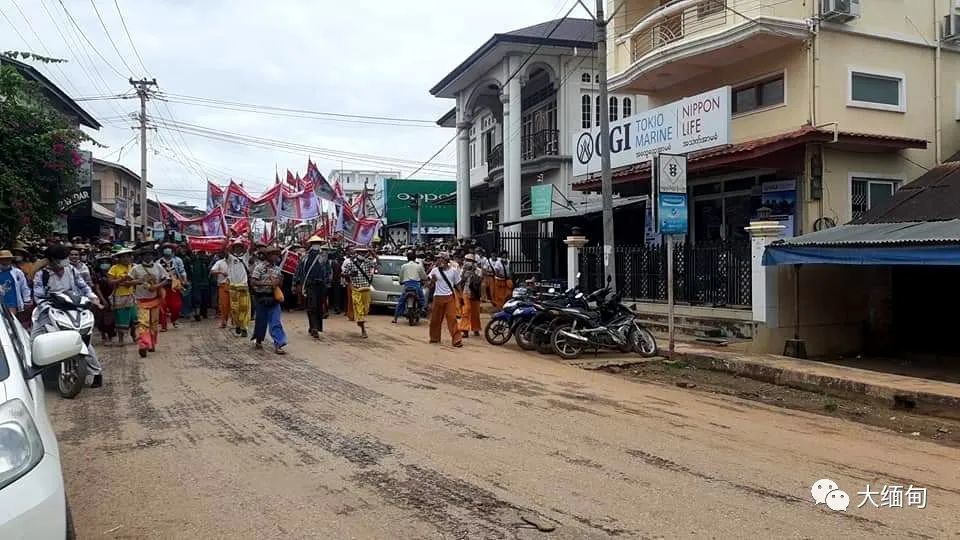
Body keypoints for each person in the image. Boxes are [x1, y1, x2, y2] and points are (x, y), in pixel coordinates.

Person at [32, 244, 104, 386]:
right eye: (62, 258)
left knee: (83, 338)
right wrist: (48, 308)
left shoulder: (71, 270)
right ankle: (35, 370)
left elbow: (83, 286)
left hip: (73, 308)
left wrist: (93, 298)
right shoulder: (42, 274)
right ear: (52, 259)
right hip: (50, 310)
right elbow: (39, 297)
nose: (66, 261)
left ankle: (96, 372)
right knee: (35, 338)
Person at [127, 247, 169, 357]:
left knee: (154, 324)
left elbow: (167, 279)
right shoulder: (135, 269)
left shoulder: (158, 267)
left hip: (155, 300)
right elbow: (127, 282)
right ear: (141, 257)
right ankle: (143, 345)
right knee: (143, 323)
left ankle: (151, 343)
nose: (148, 257)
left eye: (150, 254)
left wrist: (156, 286)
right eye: (145, 255)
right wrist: (139, 281)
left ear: (153, 256)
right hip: (141, 301)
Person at [250, 246, 288, 354]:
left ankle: (279, 343)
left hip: (273, 297)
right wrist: (268, 283)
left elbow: (280, 283)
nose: (275, 256)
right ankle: (258, 339)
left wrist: (279, 282)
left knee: (275, 321)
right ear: (268, 256)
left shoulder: (277, 269)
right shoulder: (259, 267)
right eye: (273, 254)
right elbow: (253, 282)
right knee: (261, 321)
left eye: (276, 254)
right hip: (261, 297)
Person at [294, 236, 332, 338]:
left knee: (319, 306)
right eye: (314, 242)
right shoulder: (305, 256)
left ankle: (315, 327)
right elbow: (299, 270)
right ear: (310, 244)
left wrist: (328, 283)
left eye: (318, 242)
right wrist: (297, 284)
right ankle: (314, 327)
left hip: (321, 285)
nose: (316, 244)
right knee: (312, 306)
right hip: (309, 284)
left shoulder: (324, 255)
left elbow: (328, 270)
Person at [427, 252, 462, 347]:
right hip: (437, 297)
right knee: (435, 319)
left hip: (449, 297)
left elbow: (458, 284)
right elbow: (429, 285)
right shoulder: (434, 271)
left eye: (440, 259)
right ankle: (434, 338)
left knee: (452, 319)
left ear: (445, 260)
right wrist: (432, 281)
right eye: (438, 259)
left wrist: (461, 296)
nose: (438, 260)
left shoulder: (454, 271)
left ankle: (456, 340)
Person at [341, 246, 377, 338]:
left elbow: (378, 264)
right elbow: (343, 273)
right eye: (360, 252)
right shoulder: (350, 263)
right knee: (359, 309)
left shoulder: (368, 262)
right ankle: (363, 329)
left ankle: (360, 322)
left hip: (366, 289)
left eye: (363, 252)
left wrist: (373, 253)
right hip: (356, 289)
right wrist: (349, 274)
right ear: (357, 253)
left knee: (365, 310)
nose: (362, 254)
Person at [107, 249, 139, 347]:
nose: (126, 259)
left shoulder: (134, 267)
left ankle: (134, 335)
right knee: (120, 318)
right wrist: (121, 280)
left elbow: (138, 280)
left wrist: (130, 283)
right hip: (119, 296)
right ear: (119, 258)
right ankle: (121, 339)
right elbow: (110, 282)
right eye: (123, 257)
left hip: (131, 295)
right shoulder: (114, 268)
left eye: (128, 256)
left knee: (134, 318)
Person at [222, 240, 251, 337]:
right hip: (233, 287)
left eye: (240, 246)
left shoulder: (246, 257)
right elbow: (224, 250)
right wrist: (227, 239)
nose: (238, 248)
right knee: (234, 309)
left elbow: (252, 245)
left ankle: (244, 328)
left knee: (244, 308)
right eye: (236, 246)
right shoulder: (230, 258)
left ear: (243, 248)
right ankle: (238, 324)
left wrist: (249, 233)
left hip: (243, 286)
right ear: (233, 248)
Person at [158, 244, 188, 330]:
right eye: (165, 248)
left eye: (169, 248)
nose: (167, 250)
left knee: (176, 305)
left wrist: (184, 280)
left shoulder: (178, 260)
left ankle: (174, 319)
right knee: (162, 306)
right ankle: (163, 325)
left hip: (175, 286)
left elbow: (182, 271)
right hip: (163, 286)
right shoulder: (158, 262)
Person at [392, 251, 427, 323]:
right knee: (422, 298)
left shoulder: (404, 266)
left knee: (401, 301)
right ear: (415, 259)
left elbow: (401, 277)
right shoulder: (418, 266)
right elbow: (424, 276)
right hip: (416, 285)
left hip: (407, 286)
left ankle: (395, 318)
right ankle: (423, 309)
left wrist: (401, 282)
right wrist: (424, 279)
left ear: (407, 258)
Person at [93, 254, 116, 346]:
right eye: (102, 262)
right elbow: (97, 288)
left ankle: (110, 336)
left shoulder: (113, 273)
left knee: (111, 318)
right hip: (101, 297)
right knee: (101, 318)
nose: (105, 264)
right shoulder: (97, 275)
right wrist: (103, 300)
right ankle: (103, 335)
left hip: (113, 296)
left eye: (107, 262)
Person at [0, 250, 31, 317]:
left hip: (12, 301)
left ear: (11, 260)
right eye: (3, 259)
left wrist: (27, 299)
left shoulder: (17, 272)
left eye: (8, 259)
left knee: (12, 319)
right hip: (1, 301)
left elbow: (24, 287)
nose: (6, 261)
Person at [458, 253, 482, 338]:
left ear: (473, 262)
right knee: (466, 311)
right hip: (466, 292)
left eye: (470, 261)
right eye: (466, 260)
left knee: (475, 313)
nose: (467, 262)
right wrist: (465, 273)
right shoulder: (462, 270)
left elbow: (478, 281)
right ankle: (465, 330)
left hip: (475, 294)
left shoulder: (478, 270)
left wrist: (473, 272)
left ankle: (476, 329)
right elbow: (460, 282)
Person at [209, 252, 232, 328]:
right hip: (223, 285)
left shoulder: (236, 262)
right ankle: (224, 321)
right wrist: (221, 272)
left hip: (234, 285)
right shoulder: (220, 262)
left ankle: (234, 322)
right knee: (223, 305)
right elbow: (212, 271)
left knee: (233, 305)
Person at [191, 250, 213, 321]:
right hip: (197, 283)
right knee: (197, 299)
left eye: (203, 253)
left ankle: (203, 313)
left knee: (205, 299)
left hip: (205, 283)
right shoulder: (195, 261)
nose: (201, 255)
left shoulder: (207, 261)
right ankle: (197, 314)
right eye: (200, 253)